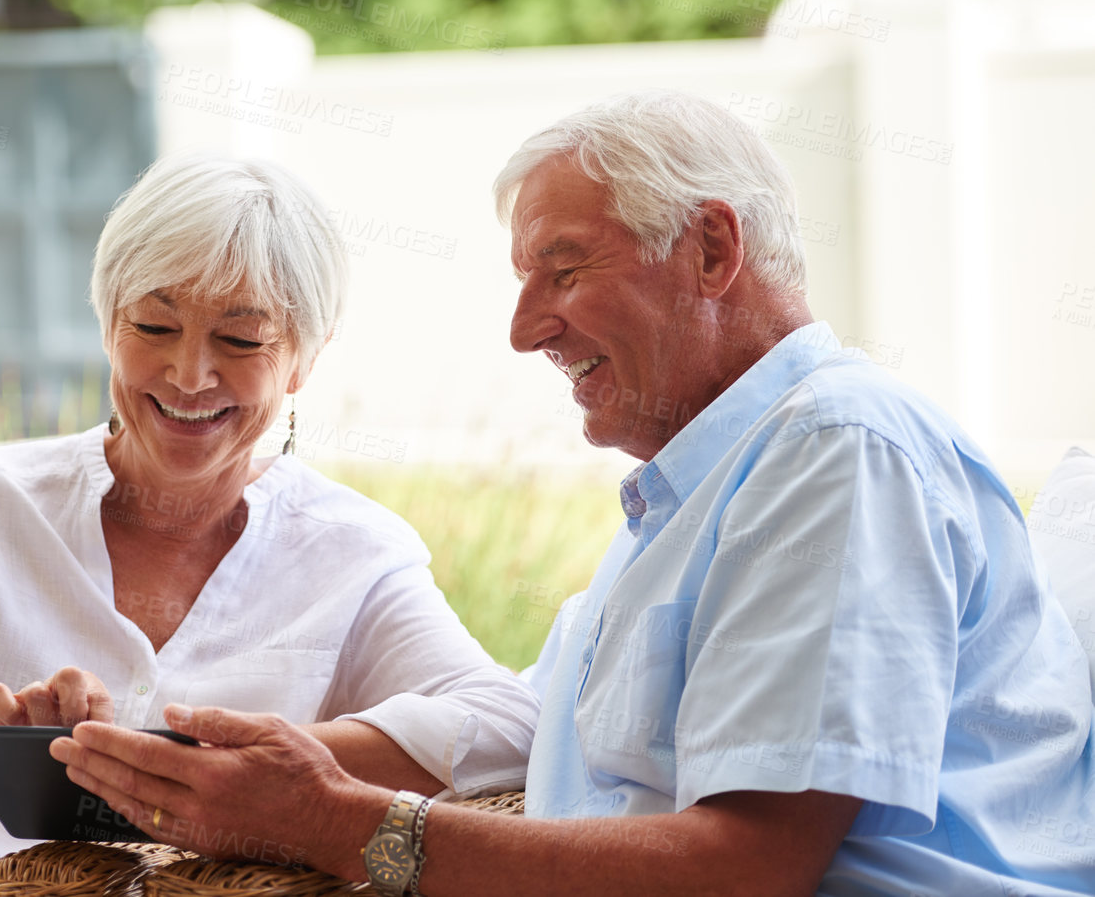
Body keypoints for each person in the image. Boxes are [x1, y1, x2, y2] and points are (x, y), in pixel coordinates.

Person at [56, 90, 1095, 896]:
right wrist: (180, 765)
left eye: (563, 270)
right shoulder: (699, 493)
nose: (524, 329)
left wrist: (339, 824)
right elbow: (511, 721)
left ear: (713, 250)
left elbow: (749, 870)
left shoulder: (834, 452)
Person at [0, 151, 539, 897]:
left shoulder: (353, 550)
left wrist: (261, 767)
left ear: (302, 356)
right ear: (106, 324)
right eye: (154, 327)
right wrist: (17, 762)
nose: (189, 374)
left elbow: (508, 724)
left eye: (240, 338)